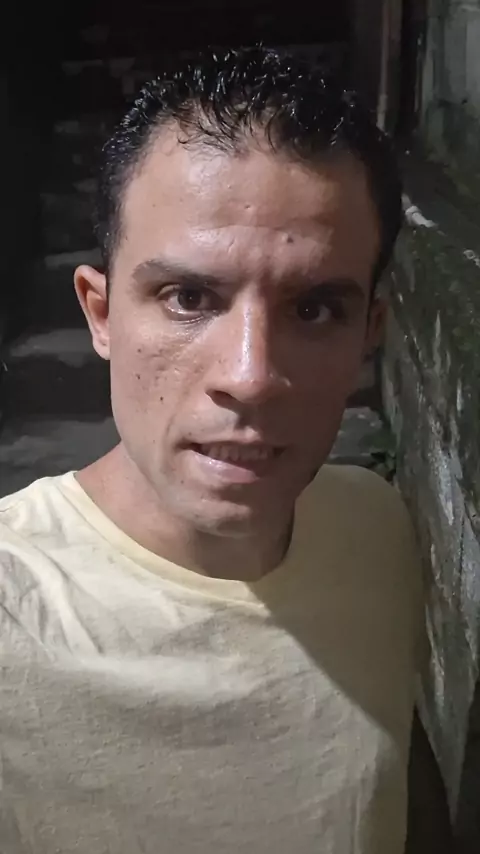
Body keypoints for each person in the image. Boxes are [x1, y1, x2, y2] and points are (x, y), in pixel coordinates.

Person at [0, 47, 451, 853]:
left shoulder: (378, 531)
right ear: (101, 314)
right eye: (188, 297)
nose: (251, 376)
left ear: (369, 333)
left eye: (315, 309)